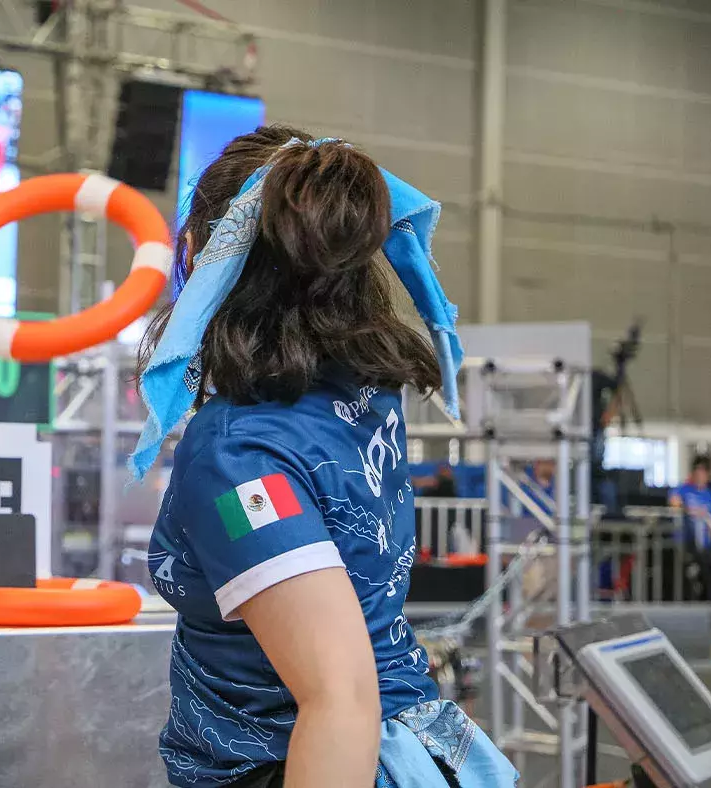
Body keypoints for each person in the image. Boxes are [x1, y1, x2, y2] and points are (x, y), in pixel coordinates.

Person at [134, 127, 514, 787]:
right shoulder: (361, 402)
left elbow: (339, 700)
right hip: (419, 747)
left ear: (197, 255)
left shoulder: (239, 451)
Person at [670, 456, 711, 601]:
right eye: (697, 471)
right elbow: (674, 502)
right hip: (686, 543)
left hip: (706, 545)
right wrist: (689, 510)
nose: (700, 475)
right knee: (686, 578)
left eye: (703, 471)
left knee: (708, 576)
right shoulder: (684, 489)